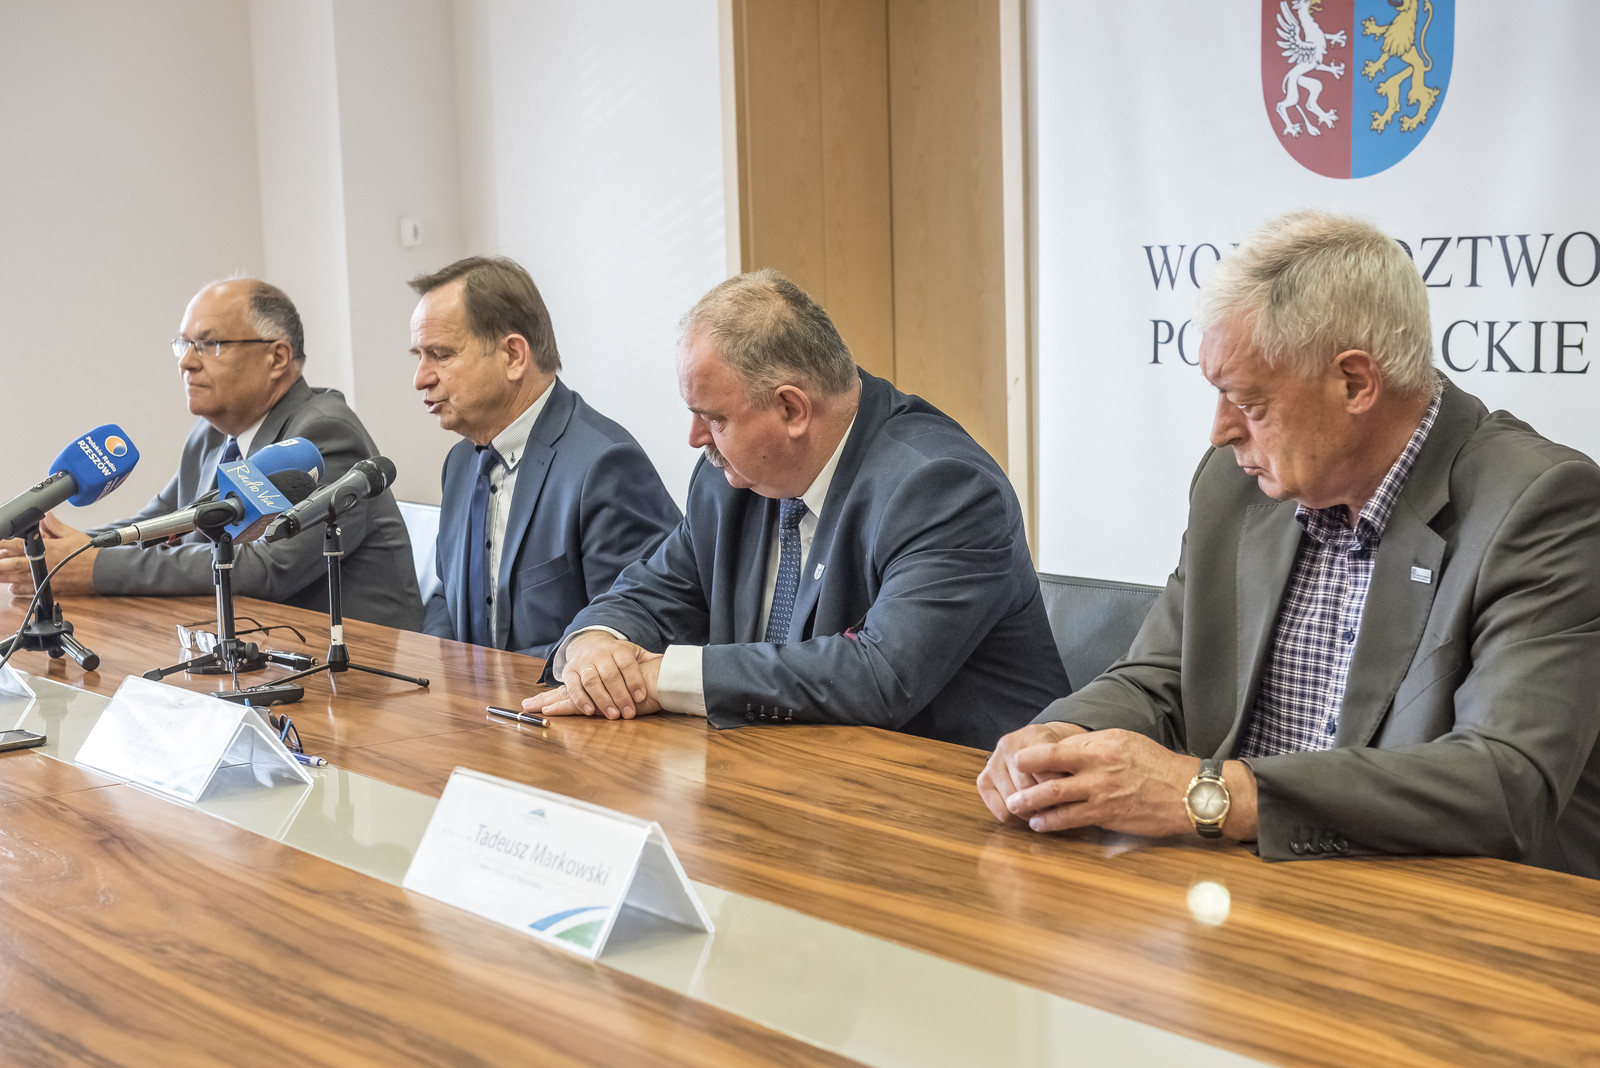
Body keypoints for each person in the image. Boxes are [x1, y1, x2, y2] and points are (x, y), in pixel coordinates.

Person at [978, 210, 1600, 876]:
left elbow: (1503, 782)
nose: (1220, 430)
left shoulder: (1541, 504)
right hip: (1244, 885)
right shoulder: (1235, 485)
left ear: (1355, 383)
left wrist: (1211, 795)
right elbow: (1162, 678)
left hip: (1447, 900)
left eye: (1249, 402)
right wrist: (1062, 739)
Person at [523, 268, 1067, 750]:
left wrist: (660, 677)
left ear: (791, 409)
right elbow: (651, 593)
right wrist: (597, 646)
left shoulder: (943, 488)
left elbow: (878, 675)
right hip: (792, 777)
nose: (695, 438)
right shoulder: (726, 482)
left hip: (958, 796)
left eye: (714, 418)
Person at [0, 279, 423, 630]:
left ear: (277, 357)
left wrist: (94, 568)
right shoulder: (212, 435)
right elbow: (157, 523)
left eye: (209, 344)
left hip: (363, 667)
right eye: (183, 344)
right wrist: (69, 550)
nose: (186, 362)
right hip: (259, 647)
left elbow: (265, 567)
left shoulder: (323, 435)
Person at [410, 256, 681, 659]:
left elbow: (634, 631)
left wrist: (496, 683)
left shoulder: (604, 466)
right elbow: (446, 597)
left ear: (513, 356)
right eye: (418, 356)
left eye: (441, 355)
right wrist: (441, 669)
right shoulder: (460, 463)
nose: (421, 378)